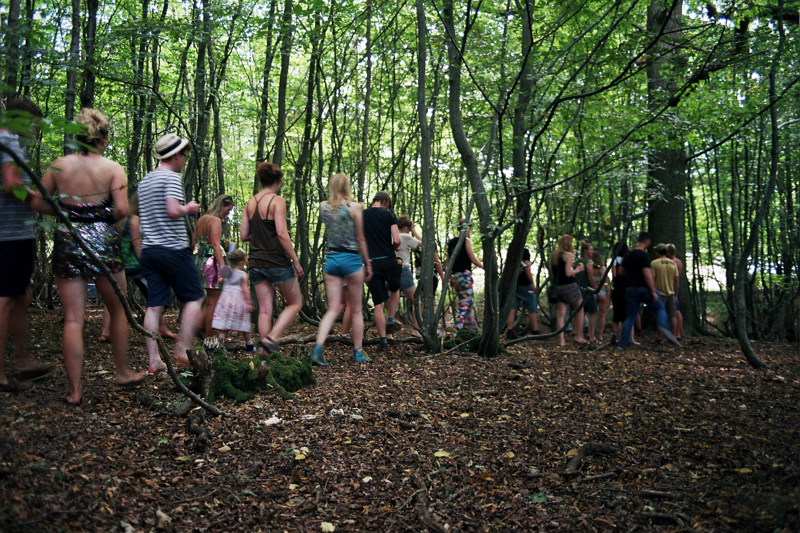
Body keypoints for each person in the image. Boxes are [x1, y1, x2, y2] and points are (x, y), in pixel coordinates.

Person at [32, 108, 146, 404]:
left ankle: (75, 390)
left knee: (73, 318)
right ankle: (122, 371)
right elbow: (121, 210)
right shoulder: (112, 168)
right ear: (103, 137)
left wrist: (69, 211)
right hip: (104, 241)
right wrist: (99, 214)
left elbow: (39, 202)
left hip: (68, 238)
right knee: (118, 309)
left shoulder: (59, 166)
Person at [0, 98, 56, 393]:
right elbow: (10, 183)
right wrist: (40, 201)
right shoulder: (11, 141)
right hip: (10, 234)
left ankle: (24, 362)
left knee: (21, 295)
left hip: (9, 233)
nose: (34, 133)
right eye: (34, 126)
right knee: (7, 299)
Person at [137, 133, 203, 373]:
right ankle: (182, 348)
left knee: (154, 306)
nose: (185, 160)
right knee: (194, 297)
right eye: (184, 155)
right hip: (172, 249)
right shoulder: (172, 177)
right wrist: (189, 208)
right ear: (175, 155)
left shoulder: (145, 181)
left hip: (149, 251)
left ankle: (154, 360)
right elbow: (173, 210)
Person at [240, 161, 303, 353]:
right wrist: (295, 260)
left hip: (256, 262)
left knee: (265, 310)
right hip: (276, 261)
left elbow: (244, 236)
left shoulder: (250, 202)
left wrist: (260, 232)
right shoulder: (277, 201)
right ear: (277, 181)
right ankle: (271, 339)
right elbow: (282, 234)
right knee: (295, 303)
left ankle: (263, 355)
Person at [311, 174, 372, 365]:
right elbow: (360, 239)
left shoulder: (323, 207)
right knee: (355, 310)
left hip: (331, 260)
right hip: (352, 260)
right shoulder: (354, 207)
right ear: (347, 186)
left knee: (333, 308)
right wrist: (368, 263)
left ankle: (317, 349)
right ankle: (358, 352)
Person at [99, 192, 177, 342]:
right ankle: (161, 327)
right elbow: (136, 244)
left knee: (113, 297)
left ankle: (106, 332)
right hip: (133, 264)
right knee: (157, 290)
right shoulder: (134, 219)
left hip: (116, 262)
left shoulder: (121, 218)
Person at [386, 215, 444, 337]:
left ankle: (388, 334)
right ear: (407, 227)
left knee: (390, 301)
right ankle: (416, 330)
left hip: (390, 269)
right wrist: (414, 231)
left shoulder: (392, 236)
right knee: (417, 301)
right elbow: (425, 244)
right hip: (403, 270)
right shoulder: (406, 236)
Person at [619, 232, 679, 348]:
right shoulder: (644, 256)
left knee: (630, 317)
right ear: (646, 241)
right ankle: (665, 329)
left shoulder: (628, 255)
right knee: (660, 308)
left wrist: (631, 275)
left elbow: (621, 272)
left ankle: (623, 344)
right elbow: (647, 274)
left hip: (630, 290)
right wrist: (652, 290)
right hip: (644, 289)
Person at [363, 191, 401, 351]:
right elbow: (397, 240)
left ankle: (383, 340)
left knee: (378, 303)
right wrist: (394, 247)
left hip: (371, 263)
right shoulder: (389, 215)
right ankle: (390, 320)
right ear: (386, 202)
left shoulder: (362, 214)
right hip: (389, 260)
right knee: (395, 288)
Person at [192, 194, 235, 338]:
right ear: (221, 206)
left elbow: (194, 243)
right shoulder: (215, 220)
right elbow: (216, 245)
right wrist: (223, 267)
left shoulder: (201, 219)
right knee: (213, 302)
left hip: (199, 259)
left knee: (211, 298)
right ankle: (209, 337)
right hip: (212, 262)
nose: (228, 214)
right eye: (228, 210)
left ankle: (199, 325)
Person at [550, 234, 588, 346]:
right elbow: (568, 273)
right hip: (569, 286)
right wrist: (578, 269)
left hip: (558, 287)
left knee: (561, 314)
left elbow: (554, 273)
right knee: (580, 309)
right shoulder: (568, 255)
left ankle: (561, 340)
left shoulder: (554, 255)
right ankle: (578, 336)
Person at [447, 219, 484, 332]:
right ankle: (456, 332)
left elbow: (447, 261)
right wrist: (485, 267)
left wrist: (450, 277)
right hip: (464, 276)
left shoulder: (451, 242)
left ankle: (472, 331)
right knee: (464, 305)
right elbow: (473, 258)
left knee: (470, 304)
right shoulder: (465, 240)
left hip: (456, 276)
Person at [212, 248, 253, 344]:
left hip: (225, 301)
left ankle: (220, 344)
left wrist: (221, 276)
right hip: (238, 301)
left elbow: (220, 282)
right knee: (244, 324)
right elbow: (245, 290)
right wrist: (249, 302)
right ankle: (249, 344)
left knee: (225, 327)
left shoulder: (227, 272)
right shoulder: (243, 275)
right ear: (241, 262)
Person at [506, 248, 540, 340]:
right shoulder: (524, 251)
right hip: (525, 284)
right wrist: (532, 284)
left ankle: (509, 331)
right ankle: (535, 332)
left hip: (513, 284)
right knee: (532, 309)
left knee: (513, 308)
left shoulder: (511, 250)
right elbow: (527, 268)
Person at [651, 243, 679, 342]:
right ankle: (674, 336)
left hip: (660, 293)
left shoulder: (654, 263)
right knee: (673, 315)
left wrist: (652, 291)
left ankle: (660, 337)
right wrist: (675, 294)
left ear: (658, 252)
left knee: (660, 314)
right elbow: (676, 280)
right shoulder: (673, 263)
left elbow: (652, 279)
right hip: (671, 292)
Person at [610, 241, 636, 345]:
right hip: (627, 287)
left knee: (617, 313)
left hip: (617, 288)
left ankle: (616, 335)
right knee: (628, 314)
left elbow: (614, 275)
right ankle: (630, 338)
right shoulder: (630, 259)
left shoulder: (615, 260)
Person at [575, 241, 598, 342]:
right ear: (585, 251)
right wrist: (595, 287)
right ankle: (591, 335)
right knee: (593, 312)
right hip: (587, 290)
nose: (593, 251)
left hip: (578, 289)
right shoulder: (589, 262)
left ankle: (577, 334)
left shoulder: (576, 262)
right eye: (591, 249)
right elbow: (590, 276)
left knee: (580, 312)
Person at [666, 243, 685, 339]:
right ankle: (680, 332)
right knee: (677, 310)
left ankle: (677, 333)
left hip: (673, 288)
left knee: (675, 311)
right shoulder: (679, 262)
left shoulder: (673, 262)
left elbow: (675, 278)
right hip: (675, 287)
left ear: (669, 252)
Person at [591, 251, 610, 342]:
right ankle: (600, 335)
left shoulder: (590, 269)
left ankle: (591, 334)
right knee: (602, 315)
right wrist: (609, 294)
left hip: (592, 292)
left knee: (592, 314)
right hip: (602, 292)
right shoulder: (604, 270)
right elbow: (607, 283)